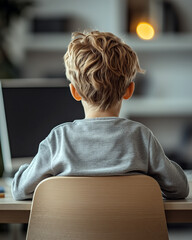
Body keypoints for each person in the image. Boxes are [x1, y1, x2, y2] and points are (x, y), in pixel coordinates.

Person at [11, 31, 189, 200]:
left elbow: (20, 190)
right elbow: (180, 188)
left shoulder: (59, 140)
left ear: (74, 91)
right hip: (130, 232)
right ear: (129, 90)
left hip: (72, 233)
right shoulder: (141, 138)